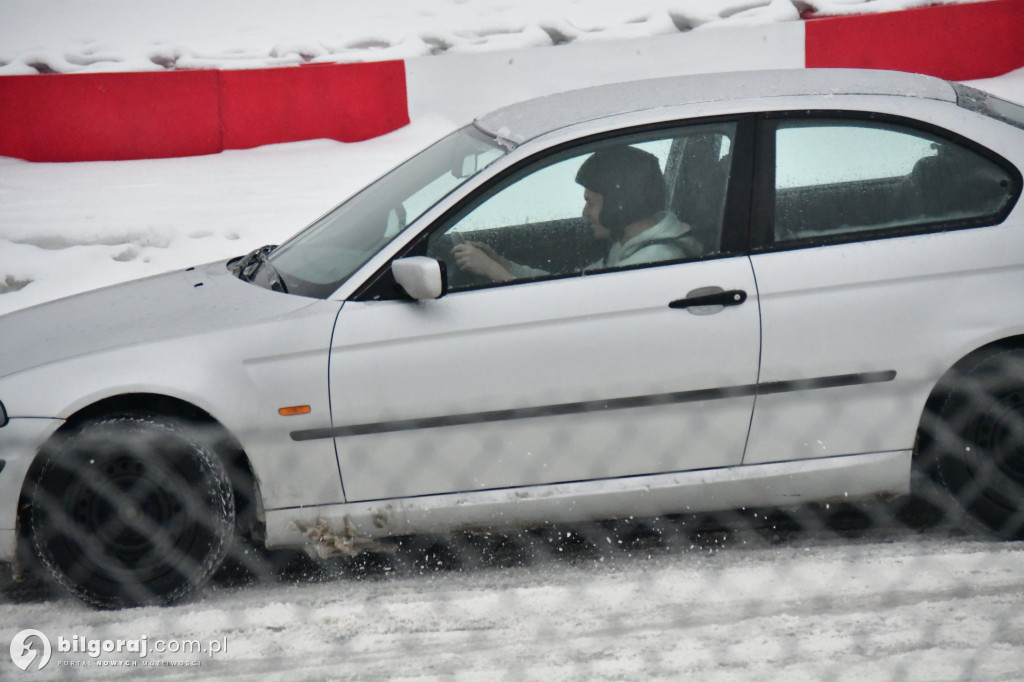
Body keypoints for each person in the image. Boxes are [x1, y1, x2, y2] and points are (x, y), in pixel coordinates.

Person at [451, 144, 701, 282]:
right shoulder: (629, 246)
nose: (585, 213)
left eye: (590, 203)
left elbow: (556, 313)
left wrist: (493, 272)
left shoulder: (651, 262)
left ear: (619, 203)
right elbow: (567, 288)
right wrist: (505, 265)